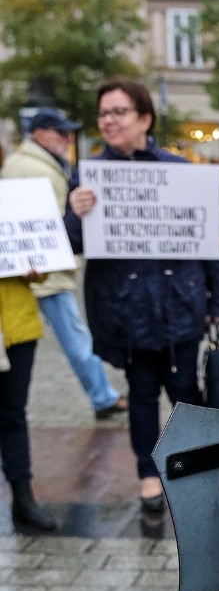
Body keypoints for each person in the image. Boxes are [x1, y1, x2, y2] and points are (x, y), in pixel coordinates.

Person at [65, 79, 219, 512]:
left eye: (119, 112)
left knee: (184, 391)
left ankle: (195, 467)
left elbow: (206, 240)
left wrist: (218, 298)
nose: (109, 120)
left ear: (144, 118)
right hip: (126, 309)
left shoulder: (179, 170)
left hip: (178, 303)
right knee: (140, 395)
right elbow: (71, 243)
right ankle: (147, 474)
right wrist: (76, 214)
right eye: (104, 113)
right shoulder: (87, 176)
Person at [1, 108, 128, 420]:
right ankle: (103, 397)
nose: (68, 139)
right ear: (41, 134)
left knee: (69, 337)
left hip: (33, 270)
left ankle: (101, 396)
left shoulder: (29, 163)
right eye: (62, 133)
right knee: (76, 338)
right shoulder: (35, 168)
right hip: (45, 272)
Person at [0, 268, 57, 530]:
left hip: (17, 327)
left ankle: (23, 497)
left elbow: (43, 269)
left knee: (13, 415)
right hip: (17, 324)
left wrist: (36, 270)